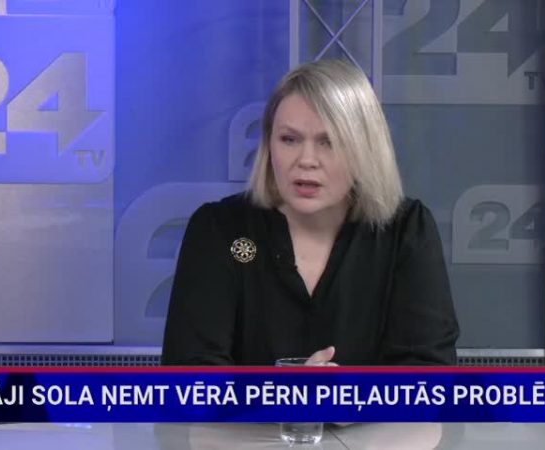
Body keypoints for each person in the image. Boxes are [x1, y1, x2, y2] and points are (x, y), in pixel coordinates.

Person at [161, 59, 459, 366]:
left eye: (328, 142)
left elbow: (429, 371)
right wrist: (281, 391)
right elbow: (190, 372)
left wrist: (341, 391)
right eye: (289, 139)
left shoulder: (406, 230)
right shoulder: (219, 230)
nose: (306, 160)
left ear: (365, 149)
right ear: (269, 145)